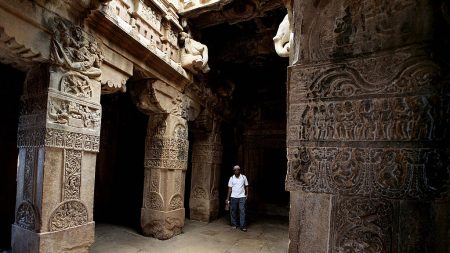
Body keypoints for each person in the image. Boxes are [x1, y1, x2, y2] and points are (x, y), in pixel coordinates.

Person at [226, 165, 249, 232]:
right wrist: (227, 198)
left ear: (239, 170)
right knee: (233, 211)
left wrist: (247, 194)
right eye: (235, 170)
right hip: (233, 197)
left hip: (242, 197)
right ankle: (234, 224)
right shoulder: (231, 178)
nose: (236, 171)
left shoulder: (243, 177)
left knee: (242, 211)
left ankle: (243, 226)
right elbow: (229, 189)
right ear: (233, 171)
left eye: (237, 169)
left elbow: (246, 186)